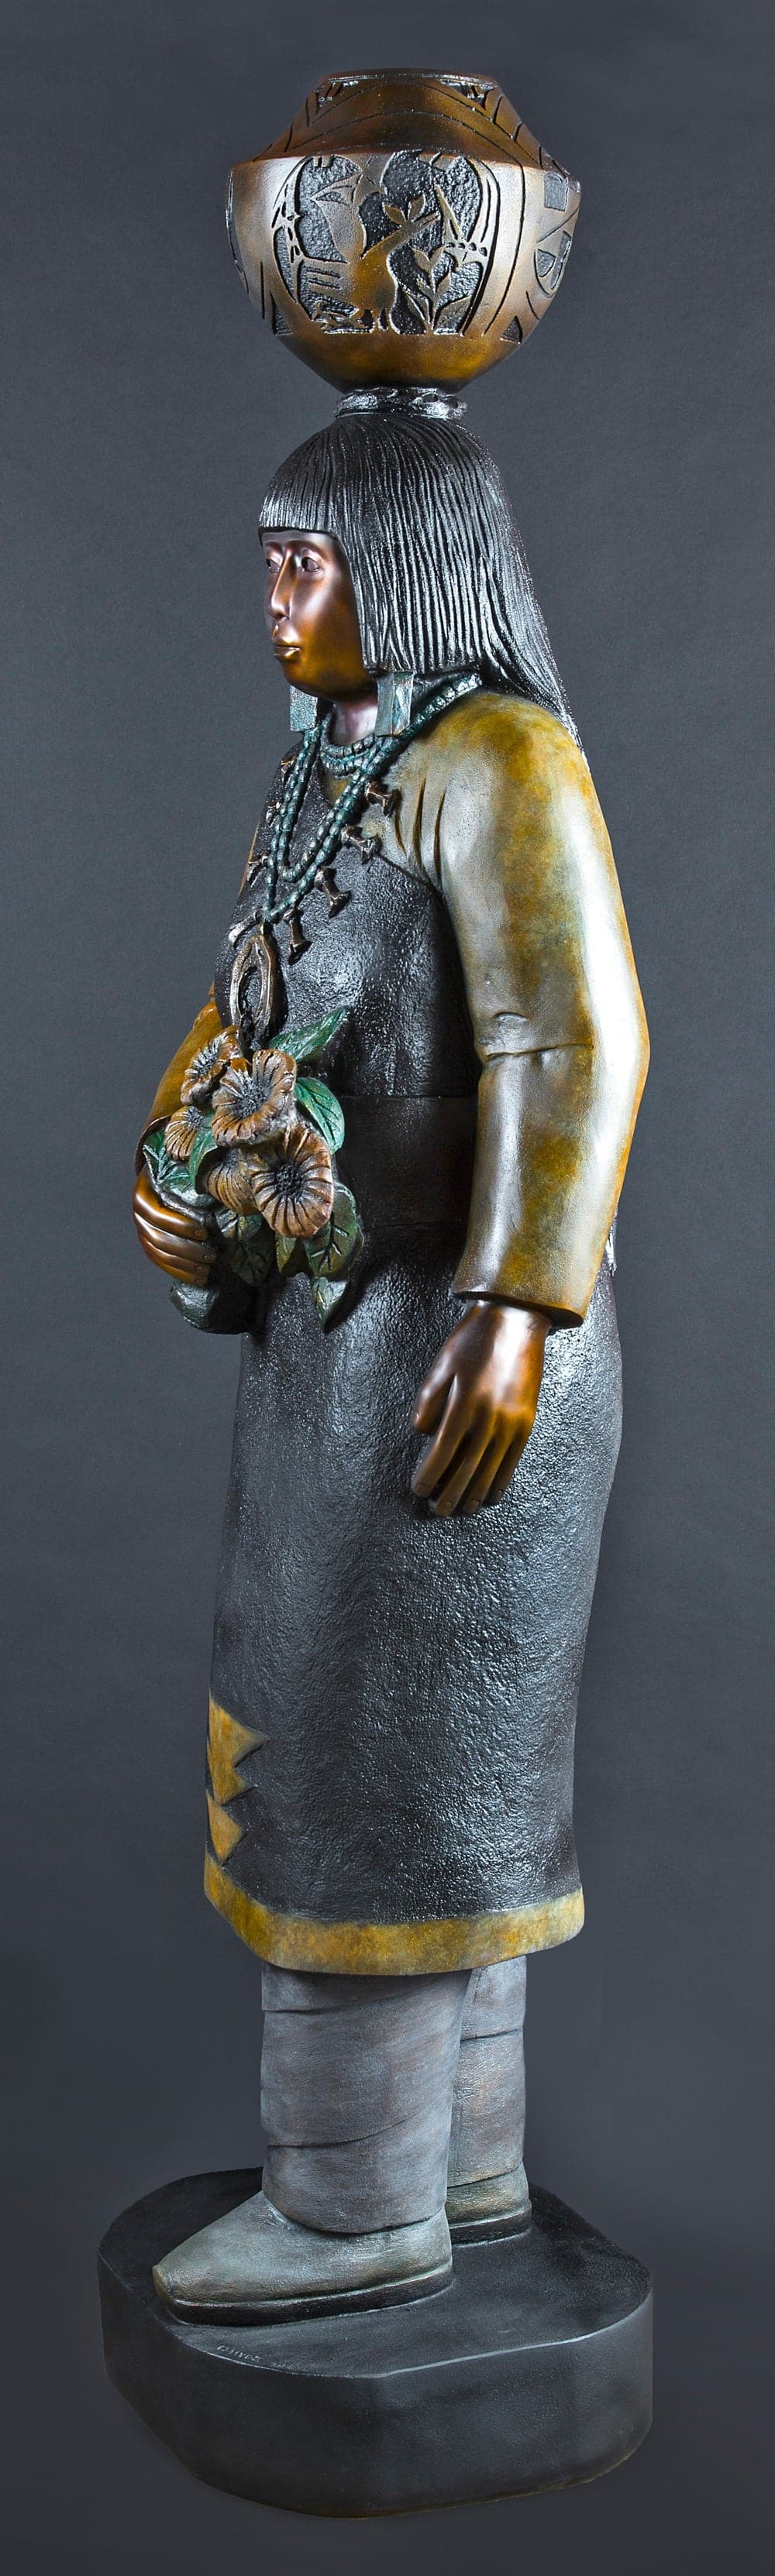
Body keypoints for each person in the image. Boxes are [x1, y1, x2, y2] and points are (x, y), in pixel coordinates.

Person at [133, 402, 649, 2324]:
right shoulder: (338, 764)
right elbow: (252, 1009)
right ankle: (466, 2170)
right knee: (403, 1755)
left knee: (386, 1760)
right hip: (341, 1345)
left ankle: (357, 2206)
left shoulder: (497, 760)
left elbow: (576, 1038)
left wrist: (517, 1311)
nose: (276, 599)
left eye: (311, 563)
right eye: (269, 559)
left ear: (413, 572)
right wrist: (173, 1167)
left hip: (457, 1353)